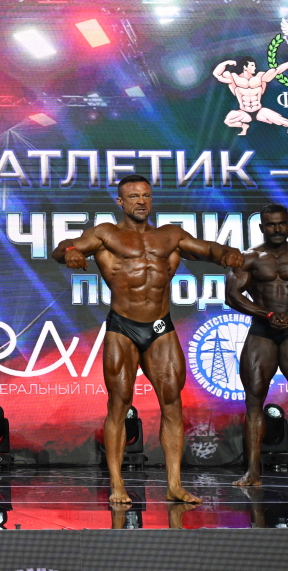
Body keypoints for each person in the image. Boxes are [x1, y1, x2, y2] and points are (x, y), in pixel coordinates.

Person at [54, 173, 242, 504]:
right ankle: (117, 484)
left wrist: (227, 253)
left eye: (146, 195)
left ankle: (174, 484)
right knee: (119, 403)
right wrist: (70, 251)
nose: (141, 201)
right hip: (122, 327)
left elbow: (207, 249)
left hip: (159, 328)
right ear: (120, 202)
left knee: (172, 403)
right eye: (134, 196)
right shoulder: (106, 234)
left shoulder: (170, 236)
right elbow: (61, 249)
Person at [225, 203, 288, 486]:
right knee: (253, 400)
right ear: (262, 227)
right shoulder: (249, 258)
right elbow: (232, 295)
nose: (277, 229)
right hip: (262, 332)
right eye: (271, 224)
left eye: (282, 223)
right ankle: (252, 471)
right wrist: (266, 314)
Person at [212, 24, 288, 136]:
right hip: (244, 112)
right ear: (245, 67)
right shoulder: (234, 78)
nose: (254, 67)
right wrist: (225, 63)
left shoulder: (260, 77)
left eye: (254, 65)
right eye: (252, 65)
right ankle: (244, 126)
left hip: (259, 110)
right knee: (228, 120)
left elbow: (277, 70)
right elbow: (217, 74)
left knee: (283, 121)